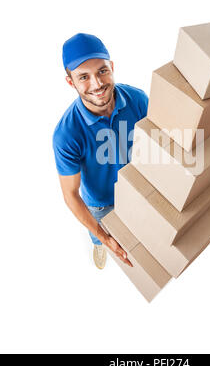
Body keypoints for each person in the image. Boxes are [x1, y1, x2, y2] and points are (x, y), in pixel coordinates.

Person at [52, 33, 149, 269]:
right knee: (101, 237)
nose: (97, 84)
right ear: (70, 82)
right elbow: (71, 195)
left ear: (112, 67)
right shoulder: (66, 134)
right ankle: (97, 244)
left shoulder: (138, 99)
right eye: (84, 77)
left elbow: (156, 142)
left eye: (102, 71)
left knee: (140, 236)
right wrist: (105, 238)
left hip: (137, 189)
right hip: (102, 205)